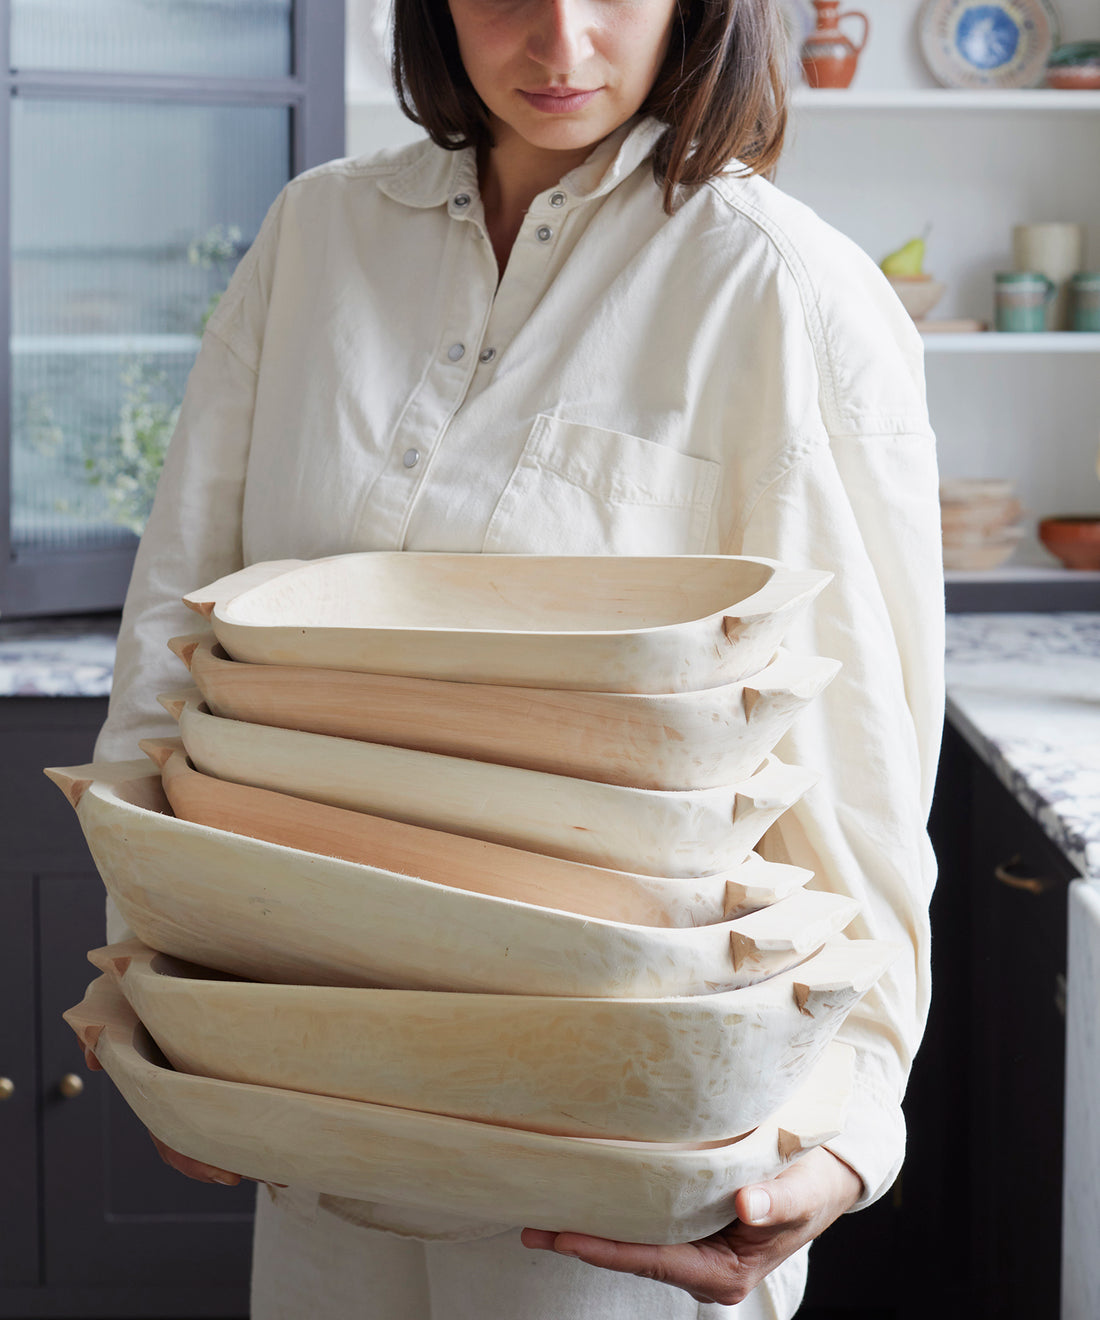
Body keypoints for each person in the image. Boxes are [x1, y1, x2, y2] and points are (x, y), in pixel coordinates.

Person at [87, 0, 945, 1313]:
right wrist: (158, 1001)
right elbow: (174, 635)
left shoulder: (783, 289)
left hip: (617, 1173)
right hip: (311, 1104)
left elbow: (856, 772)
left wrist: (849, 1132)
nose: (559, 44)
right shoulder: (315, 238)